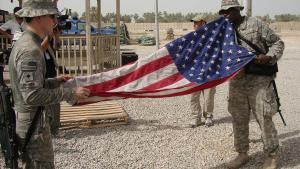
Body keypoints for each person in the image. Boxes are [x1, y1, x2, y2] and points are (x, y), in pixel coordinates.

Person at [8, 0, 90, 168]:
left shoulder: (29, 42)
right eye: (52, 16)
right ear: (38, 17)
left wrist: (54, 81)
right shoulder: (30, 50)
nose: (55, 21)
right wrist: (71, 94)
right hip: (33, 125)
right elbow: (31, 96)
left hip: (33, 120)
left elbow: (31, 86)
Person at [218, 0, 285, 169]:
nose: (225, 15)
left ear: (238, 10)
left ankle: (272, 156)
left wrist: (269, 57)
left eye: (229, 11)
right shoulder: (223, 29)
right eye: (223, 12)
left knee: (264, 118)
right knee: (239, 119)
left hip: (259, 81)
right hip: (237, 82)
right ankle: (242, 154)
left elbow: (277, 43)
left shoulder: (255, 24)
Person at [189, 14, 217, 128]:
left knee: (209, 96)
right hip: (195, 72)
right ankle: (196, 118)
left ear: (204, 23)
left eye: (197, 22)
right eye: (194, 23)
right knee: (193, 96)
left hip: (209, 72)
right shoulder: (190, 38)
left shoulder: (212, 37)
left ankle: (208, 117)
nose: (194, 25)